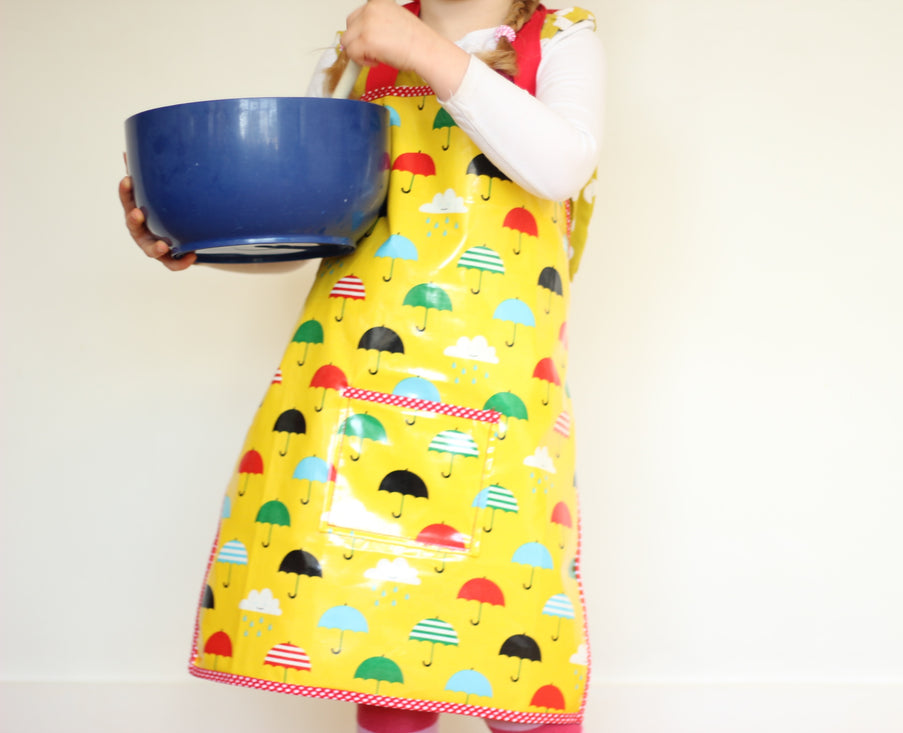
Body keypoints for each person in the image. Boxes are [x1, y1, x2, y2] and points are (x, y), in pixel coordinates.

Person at [119, 1, 603, 731]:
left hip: (500, 405)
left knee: (521, 656)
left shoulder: (562, 38)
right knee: (379, 647)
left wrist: (424, 51)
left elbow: (560, 165)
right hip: (359, 396)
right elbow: (311, 227)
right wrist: (193, 239)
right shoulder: (357, 56)